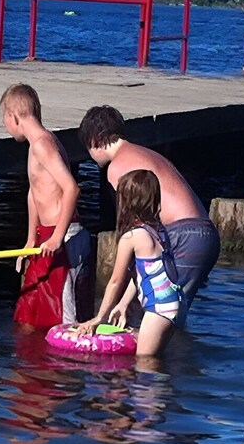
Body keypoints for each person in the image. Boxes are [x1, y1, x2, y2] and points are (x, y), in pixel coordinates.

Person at [78, 105, 220, 325]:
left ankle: (155, 359)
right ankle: (171, 356)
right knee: (170, 314)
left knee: (157, 316)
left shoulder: (117, 169)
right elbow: (150, 251)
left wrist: (101, 315)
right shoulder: (145, 153)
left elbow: (140, 239)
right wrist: (124, 302)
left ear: (95, 140)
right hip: (205, 234)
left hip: (182, 235)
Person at [0, 84, 91, 334]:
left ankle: (66, 369)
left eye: (4, 119)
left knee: (63, 318)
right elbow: (34, 193)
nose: (6, 127)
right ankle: (33, 367)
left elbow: (72, 188)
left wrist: (57, 238)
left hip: (62, 238)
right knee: (29, 312)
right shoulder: (34, 146)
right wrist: (30, 239)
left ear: (14, 116)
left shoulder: (43, 144)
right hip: (45, 235)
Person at [77, 170, 183, 357]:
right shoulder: (158, 230)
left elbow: (116, 281)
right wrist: (123, 304)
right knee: (156, 361)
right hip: (172, 302)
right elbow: (145, 272)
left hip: (157, 310)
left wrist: (99, 318)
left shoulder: (131, 237)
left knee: (145, 365)